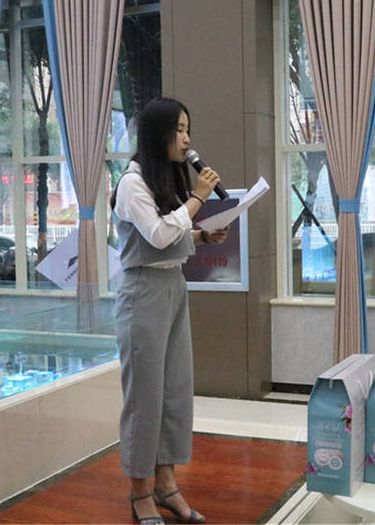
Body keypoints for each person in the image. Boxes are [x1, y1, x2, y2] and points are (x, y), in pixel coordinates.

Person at [110, 98, 227, 524]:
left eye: (187, 129)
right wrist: (198, 199)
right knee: (145, 398)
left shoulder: (161, 180)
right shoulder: (131, 183)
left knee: (174, 392)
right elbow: (158, 236)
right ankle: (140, 492)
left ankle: (166, 485)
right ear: (158, 133)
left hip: (173, 287)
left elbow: (169, 236)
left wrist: (201, 238)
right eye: (179, 130)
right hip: (143, 292)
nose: (187, 139)